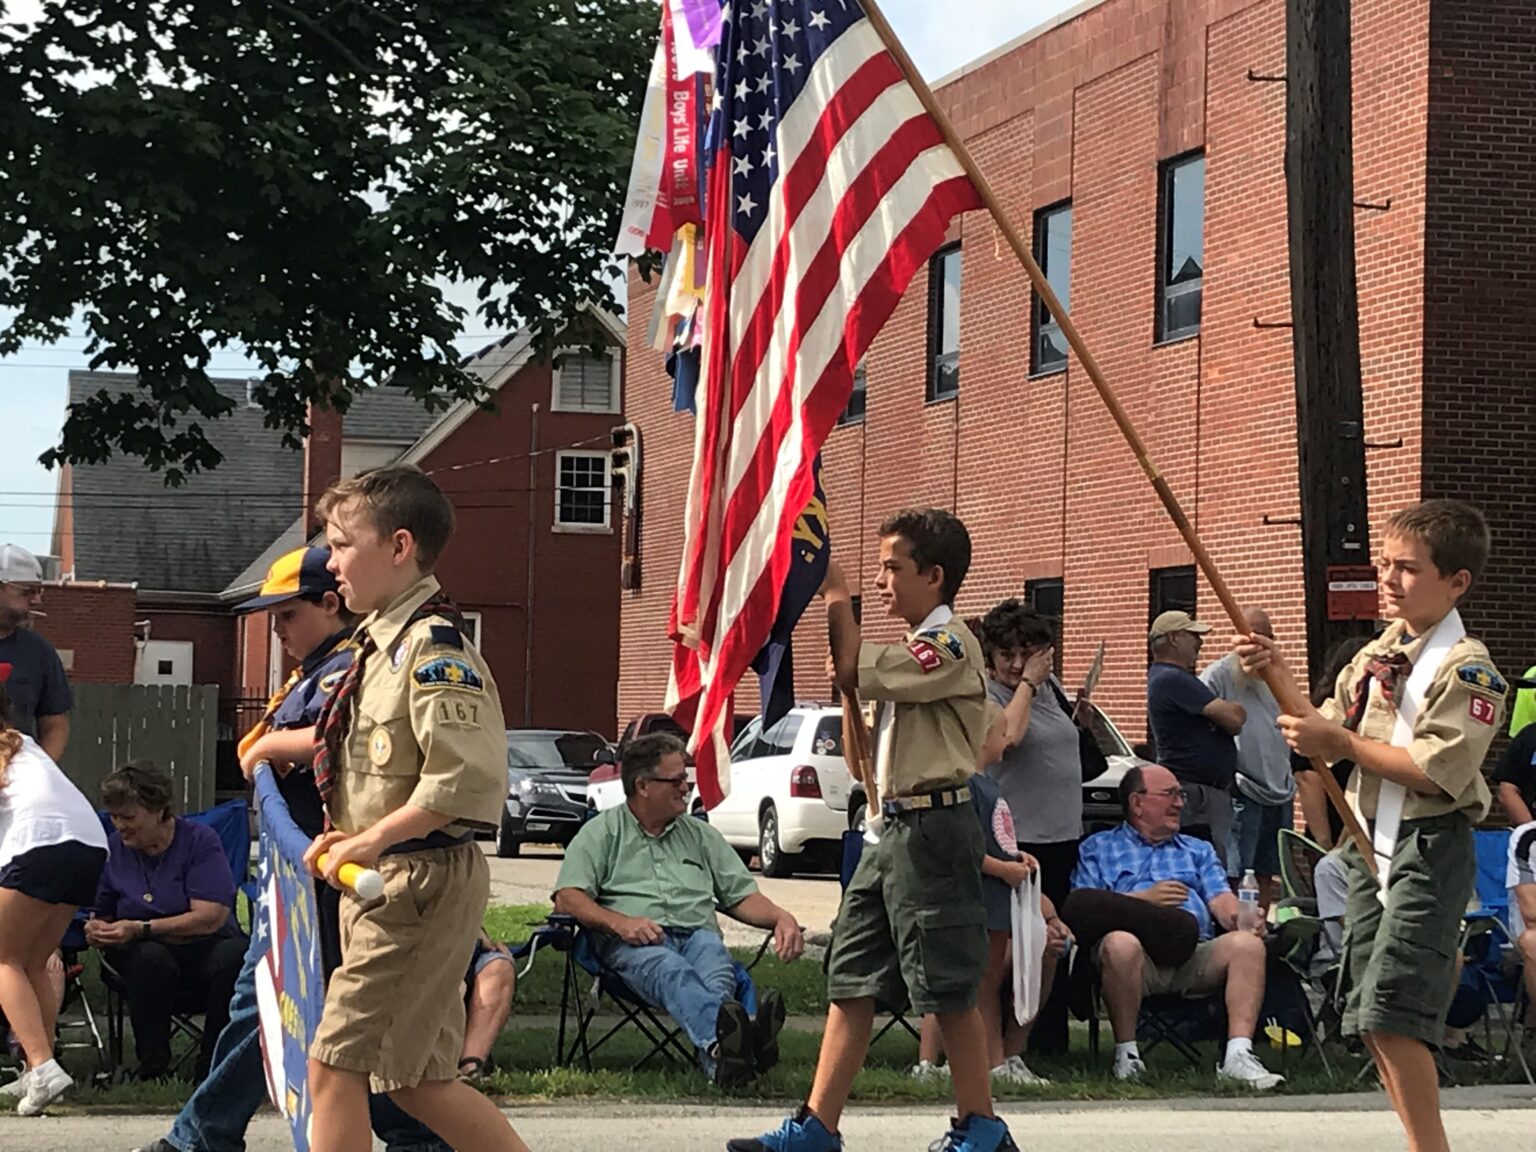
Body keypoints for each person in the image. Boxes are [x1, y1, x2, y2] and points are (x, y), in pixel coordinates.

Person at [132, 545, 453, 1152]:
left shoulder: (347, 667)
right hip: (293, 876)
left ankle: (413, 1134)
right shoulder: (314, 668)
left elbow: (343, 736)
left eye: (286, 616)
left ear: (329, 604)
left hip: (331, 875)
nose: (277, 631)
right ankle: (205, 1135)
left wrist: (268, 750)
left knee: (320, 1013)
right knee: (276, 1006)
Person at [733, 508, 1019, 1152]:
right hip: (887, 827)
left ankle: (982, 1129)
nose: (883, 579)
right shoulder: (917, 643)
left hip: (933, 827)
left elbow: (854, 666)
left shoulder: (947, 644)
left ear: (935, 575)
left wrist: (834, 592)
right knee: (852, 973)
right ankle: (816, 1127)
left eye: (894, 567)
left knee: (944, 982)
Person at [1236, 499, 1507, 1152]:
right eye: (1384, 564)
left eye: (1408, 569)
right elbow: (1322, 733)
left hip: (1426, 845)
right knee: (1366, 1012)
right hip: (1367, 846)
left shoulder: (1469, 670)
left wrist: (1344, 744)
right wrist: (1273, 671)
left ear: (1456, 582)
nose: (1388, 579)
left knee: (1394, 1010)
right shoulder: (1376, 657)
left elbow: (1436, 770)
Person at [301, 464, 528, 1152]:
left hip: (415, 883)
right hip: (390, 879)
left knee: (332, 1063)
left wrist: (370, 844)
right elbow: (381, 773)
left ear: (399, 547)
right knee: (411, 1079)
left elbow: (460, 780)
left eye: (342, 544)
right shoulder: (379, 646)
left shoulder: (434, 650)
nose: (329, 561)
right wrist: (348, 835)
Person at [553, 732, 801, 1085]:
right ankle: (743, 1041)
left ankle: (724, 1061)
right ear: (643, 786)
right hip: (634, 945)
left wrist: (781, 917)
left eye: (686, 778)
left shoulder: (701, 835)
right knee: (672, 970)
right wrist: (621, 923)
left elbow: (740, 895)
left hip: (699, 937)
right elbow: (568, 897)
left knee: (716, 970)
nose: (686, 787)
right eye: (677, 780)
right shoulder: (601, 833)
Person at [1071, 763, 1283, 1089]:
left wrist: (1241, 918)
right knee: (1120, 942)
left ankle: (1238, 1056)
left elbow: (1222, 901)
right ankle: (1128, 1055)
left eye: (1180, 794)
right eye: (1169, 794)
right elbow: (1085, 908)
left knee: (1247, 944)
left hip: (1194, 956)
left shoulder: (1197, 850)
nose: (1180, 803)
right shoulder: (1098, 848)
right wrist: (1143, 900)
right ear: (1137, 802)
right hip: (1135, 963)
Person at [89, 762, 248, 1082]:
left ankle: (214, 1068)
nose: (120, 825)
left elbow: (210, 917)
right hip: (141, 955)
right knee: (150, 958)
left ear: (159, 810)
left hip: (203, 946)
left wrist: (141, 927)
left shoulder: (201, 841)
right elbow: (101, 911)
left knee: (237, 955)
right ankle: (152, 1067)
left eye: (129, 817)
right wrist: (97, 929)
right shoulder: (114, 849)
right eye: (116, 817)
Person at [912, 771, 1069, 1086]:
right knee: (961, 978)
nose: (1008, 733)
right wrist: (1003, 868)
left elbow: (992, 842)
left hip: (995, 901)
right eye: (999, 727)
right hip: (967, 899)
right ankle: (933, 1064)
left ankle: (1002, 1061)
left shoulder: (989, 785)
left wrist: (1016, 859)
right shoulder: (960, 783)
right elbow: (957, 847)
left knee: (984, 979)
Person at [977, 599, 1086, 1053]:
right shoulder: (990, 694)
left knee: (1054, 941)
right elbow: (1008, 739)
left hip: (1060, 834)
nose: (1018, 662)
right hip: (1016, 839)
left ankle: (1045, 1041)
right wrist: (1025, 683)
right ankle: (996, 1046)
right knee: (1013, 946)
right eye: (1007, 653)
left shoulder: (1048, 686)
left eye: (1028, 651)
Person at [0, 682, 107, 1115]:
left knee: (2, 959)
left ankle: (42, 1066)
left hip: (40, 843)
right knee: (31, 961)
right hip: (88, 844)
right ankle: (38, 1071)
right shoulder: (23, 743)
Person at [1200, 607, 1294, 900]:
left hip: (1281, 788)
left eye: (1265, 639)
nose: (1257, 647)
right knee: (1239, 871)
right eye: (1250, 639)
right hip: (1243, 789)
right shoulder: (1218, 676)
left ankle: (1261, 928)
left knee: (1268, 870)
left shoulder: (1278, 679)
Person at [1146, 610, 1245, 861]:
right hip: (1197, 796)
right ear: (1173, 638)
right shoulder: (1173, 678)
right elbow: (1233, 720)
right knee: (1204, 863)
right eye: (1193, 636)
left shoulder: (1171, 679)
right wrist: (1233, 709)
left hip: (1201, 792)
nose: (1199, 643)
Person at [1292, 636, 1371, 850]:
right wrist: (1325, 843)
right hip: (1333, 831)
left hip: (1367, 828)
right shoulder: (1320, 721)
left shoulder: (1371, 719)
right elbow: (1308, 778)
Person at [0, 544, 72, 761]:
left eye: (38, 591)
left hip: (11, 787)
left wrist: (38, 774)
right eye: (26, 591)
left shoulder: (39, 652)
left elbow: (55, 724)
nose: (37, 600)